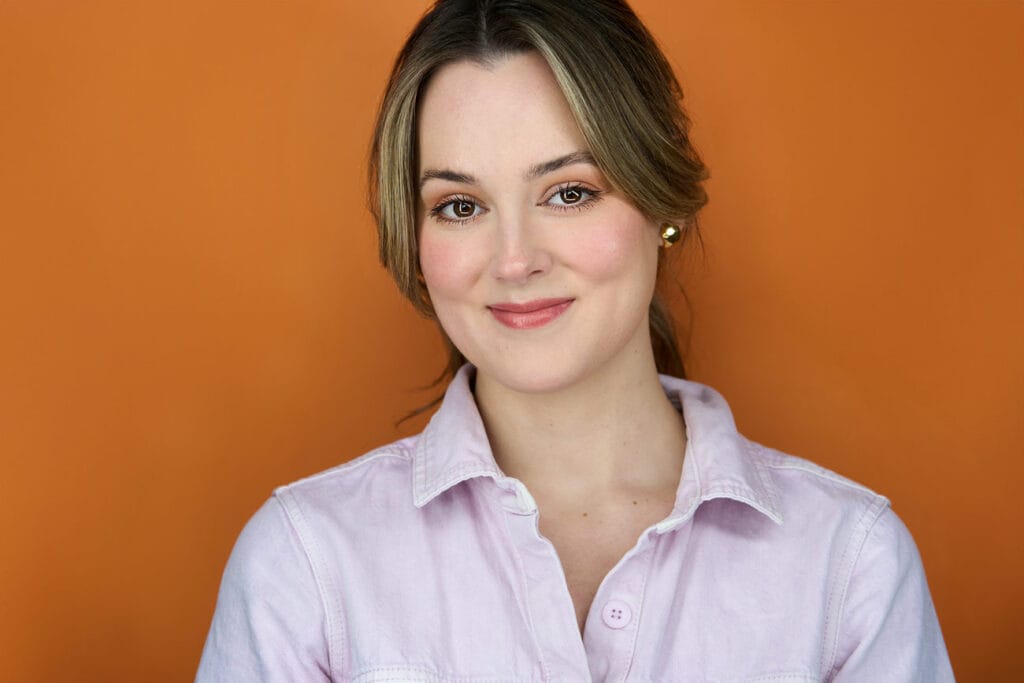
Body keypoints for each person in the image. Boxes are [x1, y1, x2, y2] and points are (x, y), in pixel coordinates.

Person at [197, 1, 953, 680]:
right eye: (461, 205)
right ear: (416, 236)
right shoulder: (304, 566)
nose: (515, 258)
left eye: (569, 192)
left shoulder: (850, 566)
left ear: (663, 204)